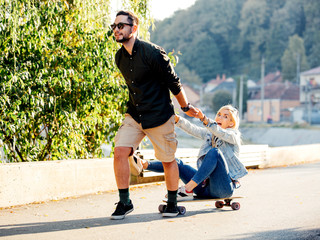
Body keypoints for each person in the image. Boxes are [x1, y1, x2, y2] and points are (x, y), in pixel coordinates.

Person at [110, 10, 198, 220]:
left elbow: (174, 83)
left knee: (168, 160)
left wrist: (185, 107)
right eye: (114, 26)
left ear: (134, 28)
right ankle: (125, 202)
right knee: (120, 151)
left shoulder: (153, 53)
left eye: (121, 25)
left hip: (159, 115)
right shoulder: (119, 57)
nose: (116, 30)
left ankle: (172, 204)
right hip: (135, 114)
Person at [135, 105, 248, 199]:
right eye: (219, 114)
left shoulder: (234, 136)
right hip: (204, 188)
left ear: (231, 123)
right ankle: (144, 164)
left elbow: (221, 133)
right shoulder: (210, 134)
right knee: (178, 163)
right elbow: (193, 129)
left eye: (225, 116)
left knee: (215, 152)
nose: (219, 117)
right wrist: (177, 119)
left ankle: (188, 189)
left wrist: (204, 119)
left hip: (223, 189)